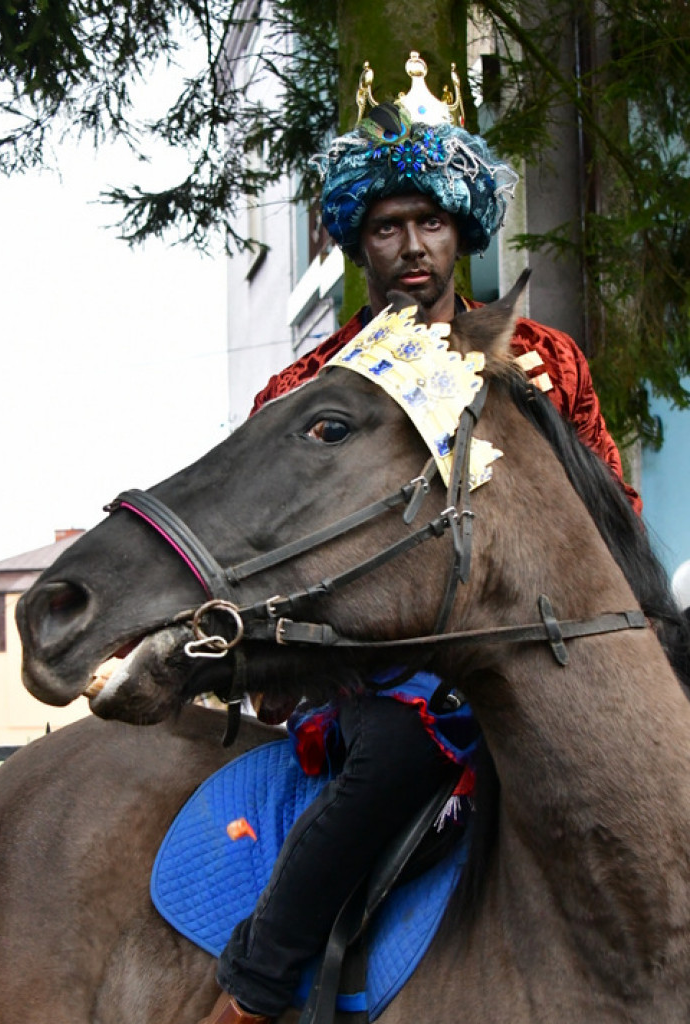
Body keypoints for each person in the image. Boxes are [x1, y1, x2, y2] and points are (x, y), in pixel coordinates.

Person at [199, 51, 641, 1024]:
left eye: (429, 221)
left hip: (539, 653)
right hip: (382, 677)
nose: (411, 245)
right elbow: (267, 559)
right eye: (388, 226)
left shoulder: (544, 360)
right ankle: (259, 986)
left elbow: (611, 507)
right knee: (402, 751)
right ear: (361, 242)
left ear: (462, 232)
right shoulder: (310, 387)